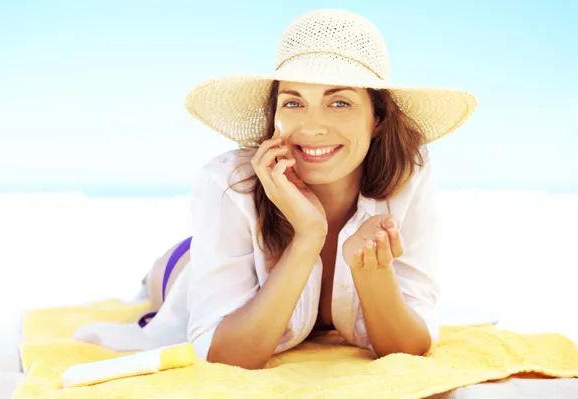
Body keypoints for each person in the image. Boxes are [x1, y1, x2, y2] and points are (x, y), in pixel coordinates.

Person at [74, 8, 477, 370]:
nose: (313, 126)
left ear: (378, 118)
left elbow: (408, 346)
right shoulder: (228, 184)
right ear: (273, 115)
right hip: (183, 265)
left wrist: (372, 273)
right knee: (165, 276)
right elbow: (227, 356)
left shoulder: (410, 180)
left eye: (339, 103)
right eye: (293, 102)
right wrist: (308, 236)